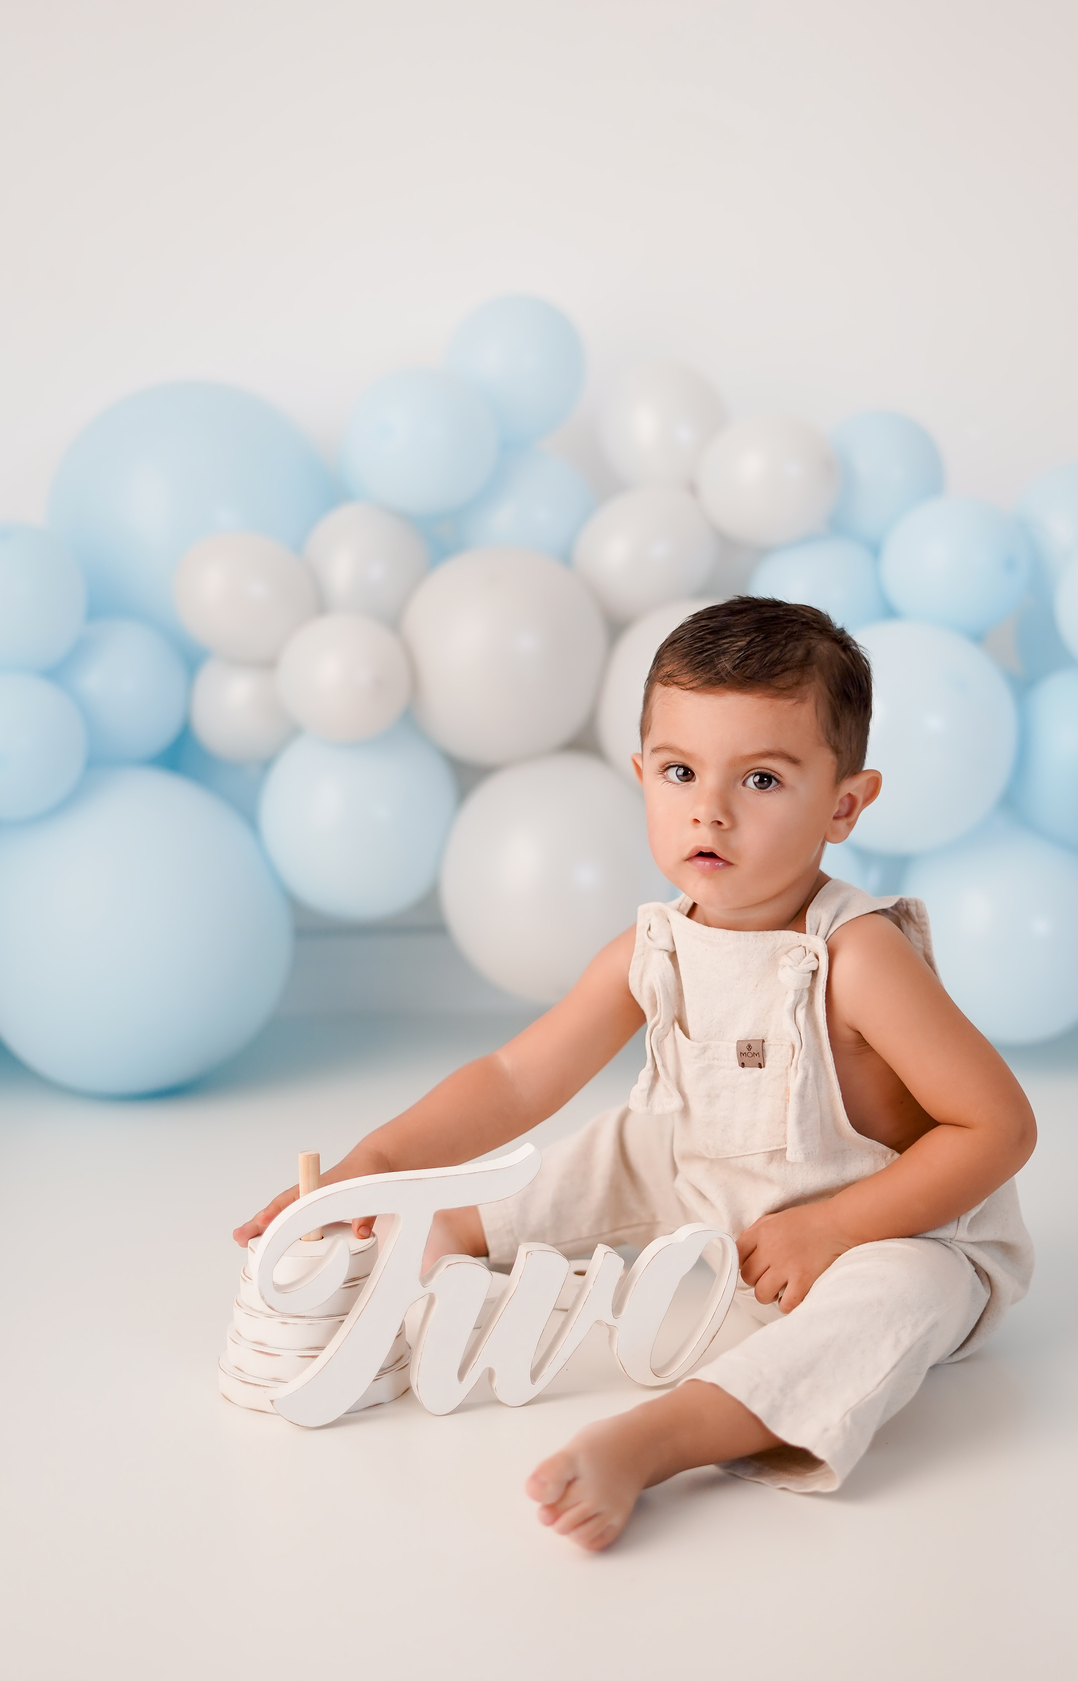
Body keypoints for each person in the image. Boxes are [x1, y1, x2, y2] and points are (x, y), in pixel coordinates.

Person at [234, 597, 1036, 1552]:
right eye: (680, 772)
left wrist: (837, 1226)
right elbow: (515, 1079)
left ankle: (663, 1436)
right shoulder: (655, 946)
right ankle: (442, 1235)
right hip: (705, 1174)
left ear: (844, 804)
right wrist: (379, 1161)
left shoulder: (858, 956)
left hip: (894, 1216)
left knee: (901, 1296)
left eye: (763, 779)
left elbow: (998, 1128)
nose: (711, 809)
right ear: (642, 775)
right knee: (613, 1144)